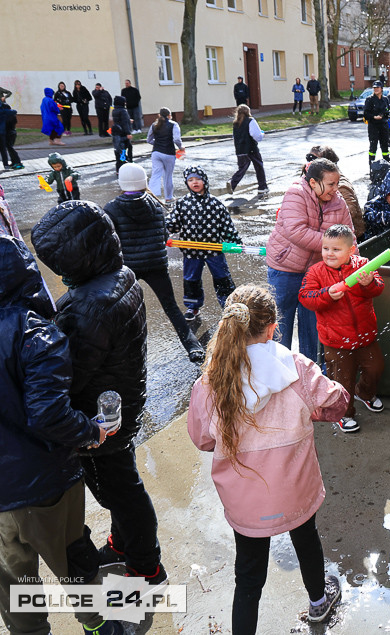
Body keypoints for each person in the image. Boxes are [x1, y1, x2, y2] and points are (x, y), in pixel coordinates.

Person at [187, 286, 344, 634]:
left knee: (248, 574)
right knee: (307, 541)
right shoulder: (297, 367)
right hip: (295, 490)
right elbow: (336, 404)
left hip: (246, 500)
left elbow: (202, 438)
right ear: (273, 327)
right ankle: (318, 603)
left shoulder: (211, 381)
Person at [31, 201, 167, 587]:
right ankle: (123, 544)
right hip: (121, 401)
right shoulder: (119, 274)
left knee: (121, 493)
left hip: (99, 420)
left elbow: (68, 373)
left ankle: (146, 565)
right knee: (122, 484)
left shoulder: (88, 305)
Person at [0, 236, 126, 635]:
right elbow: (49, 414)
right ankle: (98, 624)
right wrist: (91, 431)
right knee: (73, 558)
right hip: (44, 480)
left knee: (12, 573)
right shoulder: (35, 334)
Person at [104, 163, 205, 362]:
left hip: (128, 267)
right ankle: (193, 347)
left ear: (122, 183)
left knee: (120, 310)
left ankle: (118, 356)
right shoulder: (155, 205)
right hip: (156, 264)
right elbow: (163, 235)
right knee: (171, 307)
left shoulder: (112, 207)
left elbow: (111, 240)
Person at [265, 158, 354, 360]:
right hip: (284, 269)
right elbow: (297, 232)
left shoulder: (338, 202)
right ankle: (278, 373)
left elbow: (349, 237)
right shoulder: (295, 194)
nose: (335, 189)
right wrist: (333, 247)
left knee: (313, 329)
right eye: (331, 184)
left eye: (337, 183)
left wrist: (353, 264)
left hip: (316, 274)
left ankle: (310, 374)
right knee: (280, 326)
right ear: (313, 182)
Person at [299, 225, 385, 431]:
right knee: (341, 380)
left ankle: (364, 393)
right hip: (336, 340)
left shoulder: (363, 265)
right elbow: (305, 297)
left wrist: (369, 282)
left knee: (376, 368)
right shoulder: (316, 272)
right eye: (326, 248)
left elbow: (379, 287)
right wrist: (326, 295)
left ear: (351, 250)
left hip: (366, 336)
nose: (329, 254)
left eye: (336, 250)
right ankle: (344, 414)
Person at [166, 166, 240, 321]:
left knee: (222, 278)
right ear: (186, 183)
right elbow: (173, 224)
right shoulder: (182, 203)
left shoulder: (215, 203)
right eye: (190, 180)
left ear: (204, 180)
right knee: (191, 279)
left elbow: (226, 225)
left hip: (214, 249)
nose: (194, 182)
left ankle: (229, 306)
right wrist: (165, 229)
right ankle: (192, 307)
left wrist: (234, 241)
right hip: (191, 251)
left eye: (197, 179)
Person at [306, 145, 364, 238]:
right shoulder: (315, 183)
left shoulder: (340, 186)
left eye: (314, 160)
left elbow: (350, 212)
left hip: (351, 237)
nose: (310, 164)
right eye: (308, 158)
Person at [227, 104, 268, 198]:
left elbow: (234, 137)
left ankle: (232, 183)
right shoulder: (251, 121)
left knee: (242, 168)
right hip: (251, 148)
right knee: (259, 166)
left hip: (240, 150)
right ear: (248, 112)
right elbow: (256, 135)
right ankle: (262, 186)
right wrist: (262, 134)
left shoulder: (236, 123)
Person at [146, 107, 184, 203]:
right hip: (168, 153)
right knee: (168, 176)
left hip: (156, 153)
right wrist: (180, 147)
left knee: (155, 175)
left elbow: (149, 140)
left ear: (159, 115)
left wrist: (158, 144)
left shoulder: (154, 125)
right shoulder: (173, 125)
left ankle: (152, 198)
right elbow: (176, 139)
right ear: (169, 115)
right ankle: (168, 198)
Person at [364, 81, 390, 167]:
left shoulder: (385, 99)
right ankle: (371, 165)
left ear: (381, 89)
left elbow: (389, 111)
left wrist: (386, 114)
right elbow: (366, 113)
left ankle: (387, 164)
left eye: (377, 88)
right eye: (374, 88)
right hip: (373, 126)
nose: (376, 89)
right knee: (373, 146)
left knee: (385, 146)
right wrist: (373, 117)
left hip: (383, 126)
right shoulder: (369, 99)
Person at [111, 95, 133, 170]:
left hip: (117, 131)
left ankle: (123, 164)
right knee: (125, 149)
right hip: (123, 132)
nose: (125, 103)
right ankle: (127, 164)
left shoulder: (114, 110)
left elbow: (119, 121)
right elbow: (125, 123)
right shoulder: (123, 111)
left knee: (121, 149)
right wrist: (128, 133)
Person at [0, 100, 23, 170]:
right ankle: (8, 164)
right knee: (6, 149)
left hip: (8, 133)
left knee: (9, 148)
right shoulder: (6, 113)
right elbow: (15, 111)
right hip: (7, 133)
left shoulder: (5, 114)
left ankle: (15, 162)